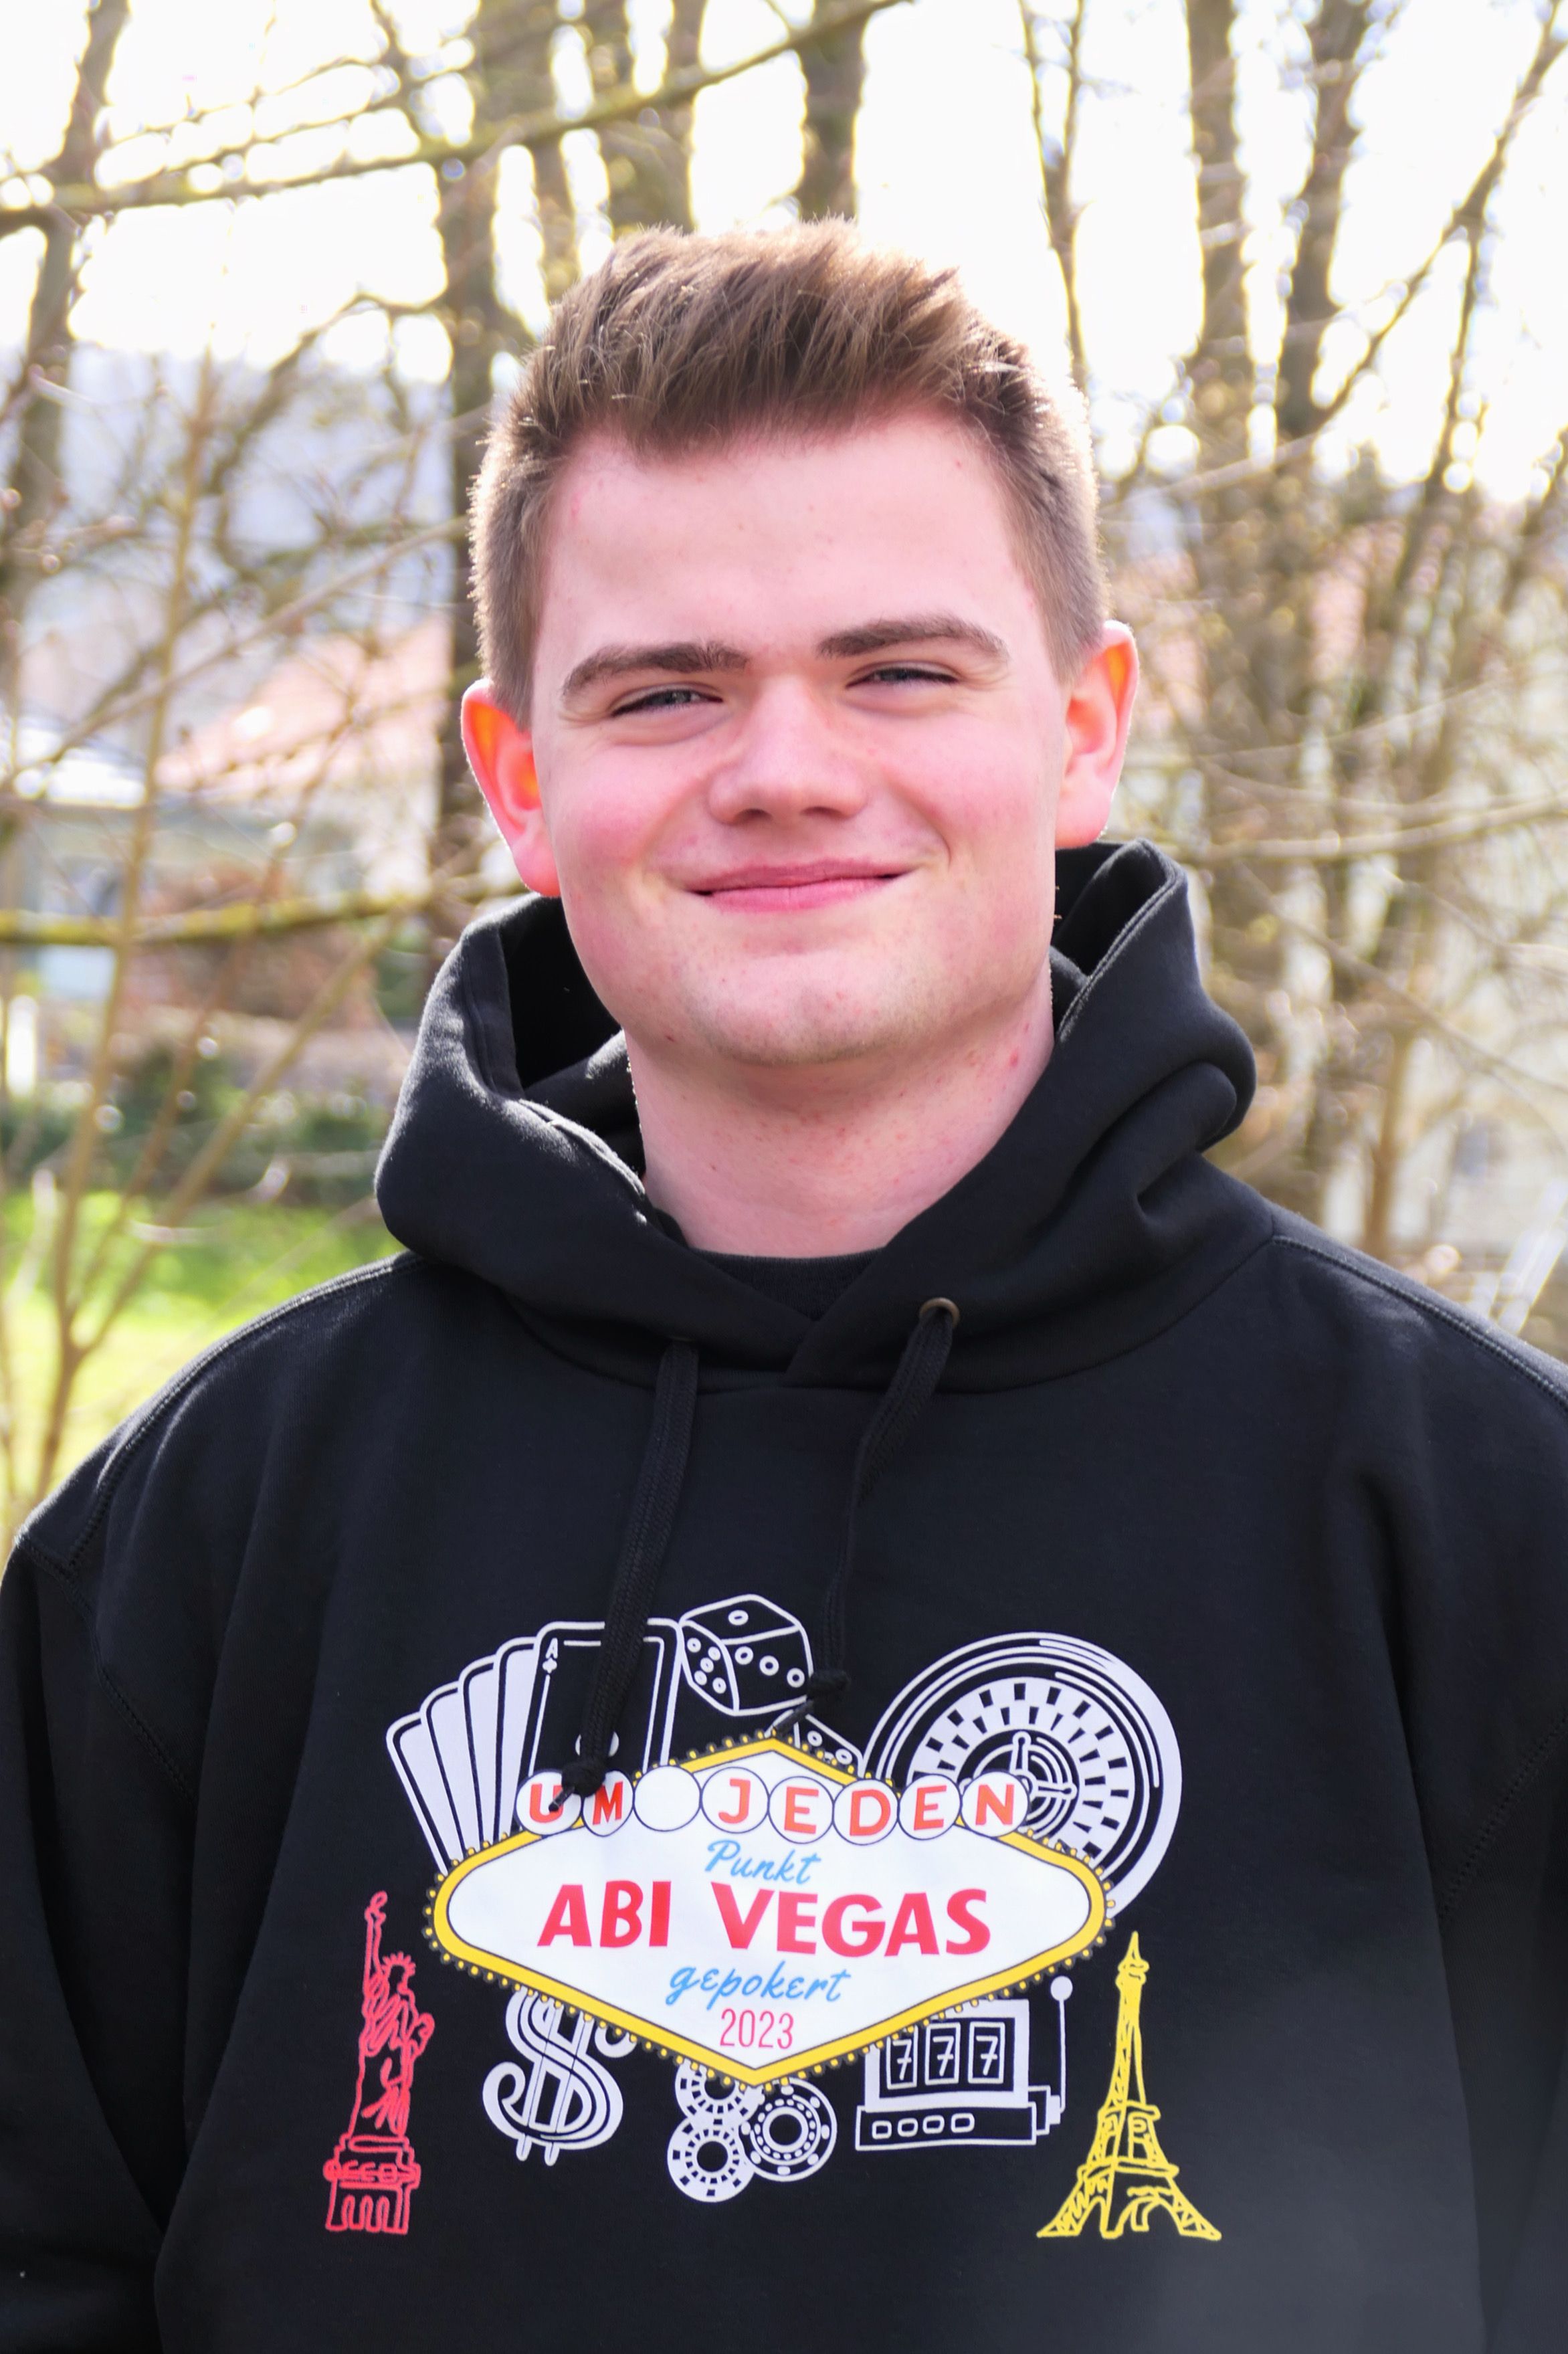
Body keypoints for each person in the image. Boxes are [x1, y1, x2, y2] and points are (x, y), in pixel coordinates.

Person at [0, 224, 1563, 2354]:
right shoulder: (210, 1526)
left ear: (1086, 730)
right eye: (669, 691)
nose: (787, 767)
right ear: (518, 780)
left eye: (899, 671)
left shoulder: (1485, 1521)